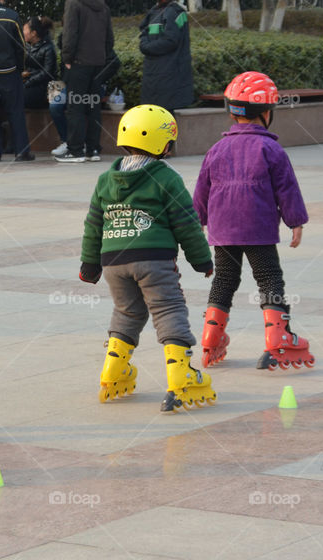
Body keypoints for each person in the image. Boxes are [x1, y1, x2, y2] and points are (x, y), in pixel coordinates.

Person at [79, 105, 216, 413]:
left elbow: (93, 225)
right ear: (162, 144)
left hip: (113, 261)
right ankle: (181, 373)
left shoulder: (105, 180)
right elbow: (186, 222)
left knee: (128, 311)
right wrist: (201, 260)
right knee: (168, 308)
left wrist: (89, 265)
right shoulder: (166, 178)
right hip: (153, 259)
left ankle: (113, 369)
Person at [193, 71, 314, 371]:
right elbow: (287, 188)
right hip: (257, 229)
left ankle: (211, 336)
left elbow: (201, 190)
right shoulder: (271, 149)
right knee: (269, 278)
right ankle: (278, 337)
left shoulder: (216, 149)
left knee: (224, 280)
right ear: (266, 113)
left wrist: (198, 221)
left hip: (222, 231)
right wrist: (295, 221)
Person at [56, 0, 113, 163]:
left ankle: (75, 150)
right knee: (94, 106)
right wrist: (102, 57)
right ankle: (93, 149)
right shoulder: (103, 6)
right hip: (98, 63)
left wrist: (67, 58)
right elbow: (110, 38)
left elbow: (70, 33)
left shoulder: (74, 3)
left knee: (76, 107)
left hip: (79, 63)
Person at [0, 0, 33, 161]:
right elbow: (20, 47)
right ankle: (22, 151)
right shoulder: (12, 16)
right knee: (15, 111)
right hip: (8, 71)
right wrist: (20, 68)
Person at [139, 0, 193, 112]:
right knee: (154, 115)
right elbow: (143, 32)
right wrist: (144, 45)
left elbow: (170, 41)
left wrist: (146, 47)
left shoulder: (174, 12)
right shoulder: (153, 12)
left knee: (165, 118)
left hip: (168, 75)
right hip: (154, 75)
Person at [22, 16, 56, 109]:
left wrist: (28, 81)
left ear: (33, 33)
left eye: (25, 29)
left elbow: (47, 73)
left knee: (19, 98)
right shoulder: (27, 46)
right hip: (29, 83)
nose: (23, 32)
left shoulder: (48, 48)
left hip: (43, 87)